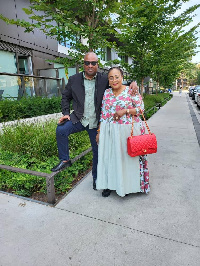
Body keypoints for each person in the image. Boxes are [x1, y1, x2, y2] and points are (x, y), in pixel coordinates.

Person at [51, 52, 138, 191]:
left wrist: (133, 83)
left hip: (96, 123)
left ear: (97, 64)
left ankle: (97, 179)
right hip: (79, 119)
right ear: (83, 64)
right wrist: (66, 114)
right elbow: (65, 97)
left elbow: (118, 83)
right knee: (61, 129)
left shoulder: (104, 79)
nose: (90, 66)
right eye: (87, 63)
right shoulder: (74, 79)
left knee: (98, 152)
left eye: (93, 63)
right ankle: (65, 160)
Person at [96, 67, 150, 197]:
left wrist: (125, 111)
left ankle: (129, 186)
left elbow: (141, 109)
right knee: (111, 159)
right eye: (111, 77)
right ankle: (110, 185)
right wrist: (99, 131)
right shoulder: (107, 93)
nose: (114, 80)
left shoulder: (130, 91)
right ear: (108, 80)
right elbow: (103, 114)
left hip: (128, 131)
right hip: (110, 131)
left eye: (117, 76)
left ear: (122, 77)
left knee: (128, 160)